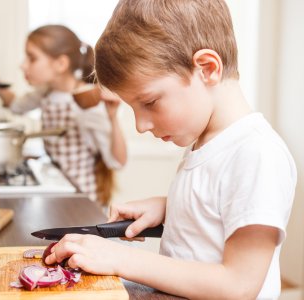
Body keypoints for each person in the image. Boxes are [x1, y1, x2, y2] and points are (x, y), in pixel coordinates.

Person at [43, 1, 297, 299]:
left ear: (206, 69)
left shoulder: (257, 154)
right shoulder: (209, 143)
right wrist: (171, 206)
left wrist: (120, 258)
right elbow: (220, 207)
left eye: (149, 102)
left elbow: (238, 285)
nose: (140, 125)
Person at [0, 25, 127, 205]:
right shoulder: (46, 92)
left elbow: (117, 162)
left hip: (83, 202)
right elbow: (15, 105)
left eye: (32, 58)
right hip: (58, 194)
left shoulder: (86, 100)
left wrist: (112, 117)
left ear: (60, 64)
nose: (23, 65)